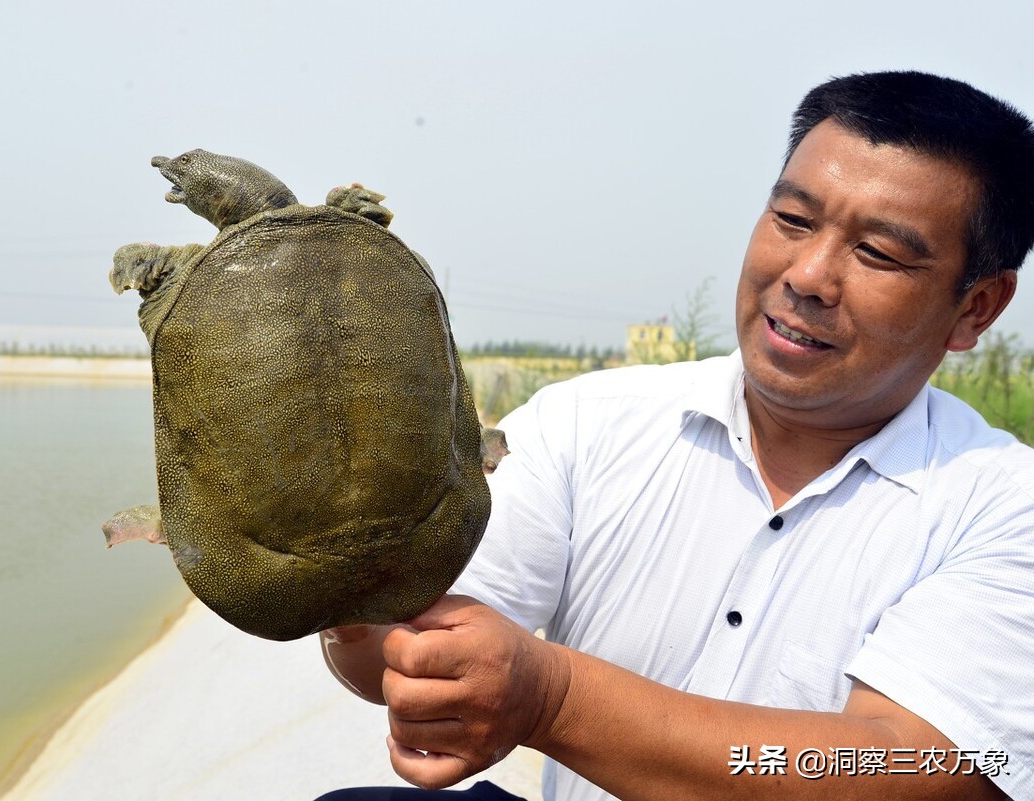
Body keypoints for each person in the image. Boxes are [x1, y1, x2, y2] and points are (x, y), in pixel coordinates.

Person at [316, 71, 1034, 801]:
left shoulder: (1005, 509)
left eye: (878, 252)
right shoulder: (586, 424)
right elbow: (405, 657)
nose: (809, 274)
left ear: (976, 307)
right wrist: (344, 586)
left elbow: (907, 770)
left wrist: (553, 697)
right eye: (792, 218)